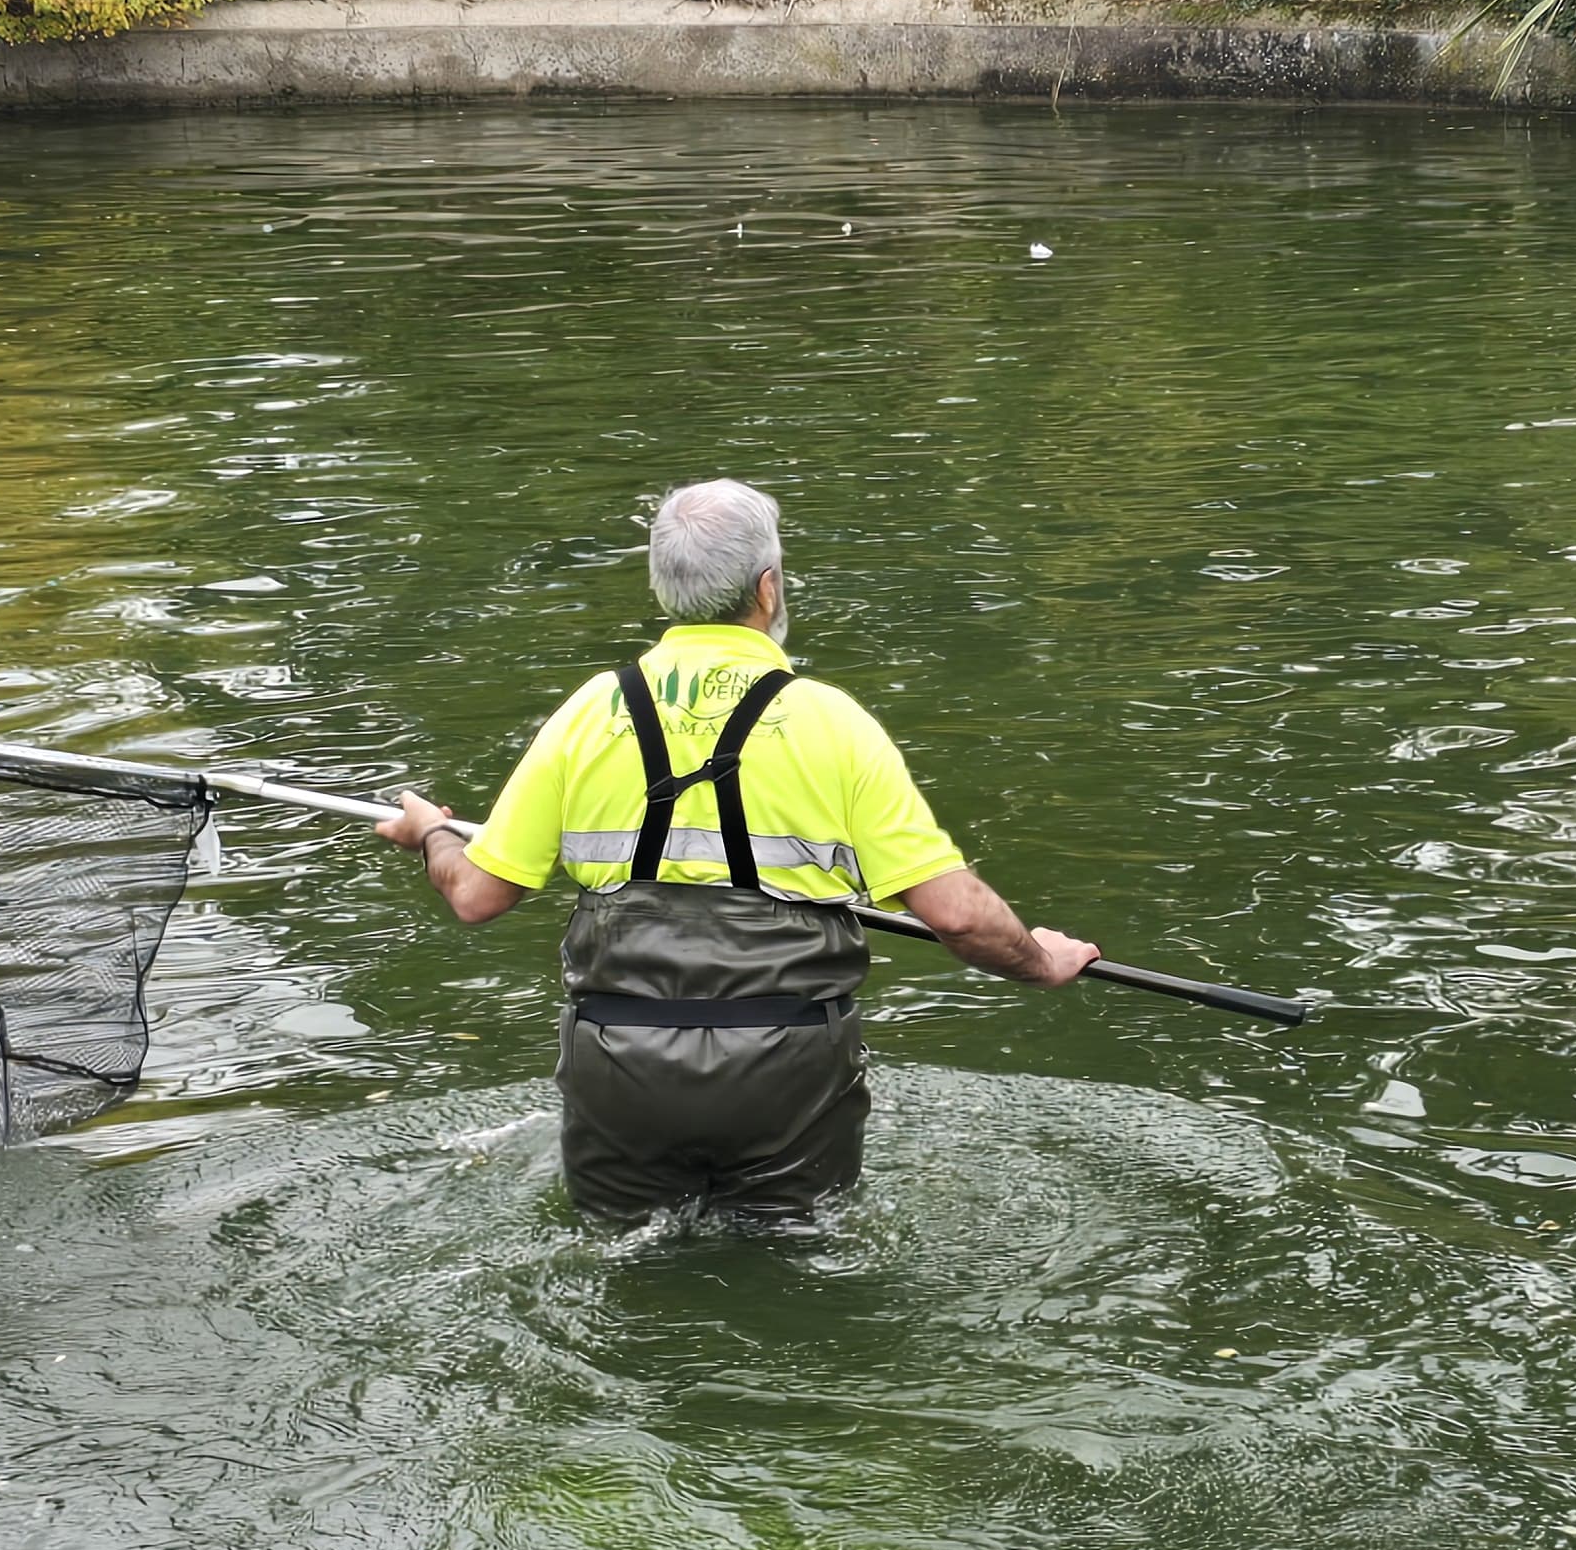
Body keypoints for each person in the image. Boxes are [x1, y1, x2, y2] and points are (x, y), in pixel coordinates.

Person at [372, 477, 1098, 1226]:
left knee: (623, 1268)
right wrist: (1041, 962)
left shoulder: (589, 711)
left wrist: (429, 830)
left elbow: (476, 895)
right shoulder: (832, 722)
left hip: (619, 1063)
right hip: (787, 1069)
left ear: (662, 589)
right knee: (797, 1266)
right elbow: (961, 917)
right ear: (769, 587)